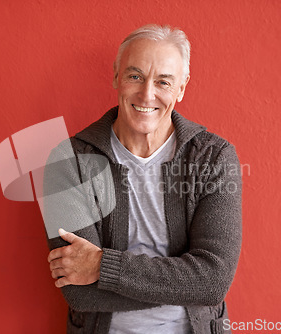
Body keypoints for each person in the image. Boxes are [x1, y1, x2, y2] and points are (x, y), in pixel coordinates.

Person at [45, 24, 242, 334]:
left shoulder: (213, 157)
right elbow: (79, 292)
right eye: (135, 76)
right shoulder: (69, 160)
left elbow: (212, 282)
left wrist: (101, 266)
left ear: (182, 87)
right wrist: (184, 285)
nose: (147, 93)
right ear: (116, 76)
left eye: (163, 81)